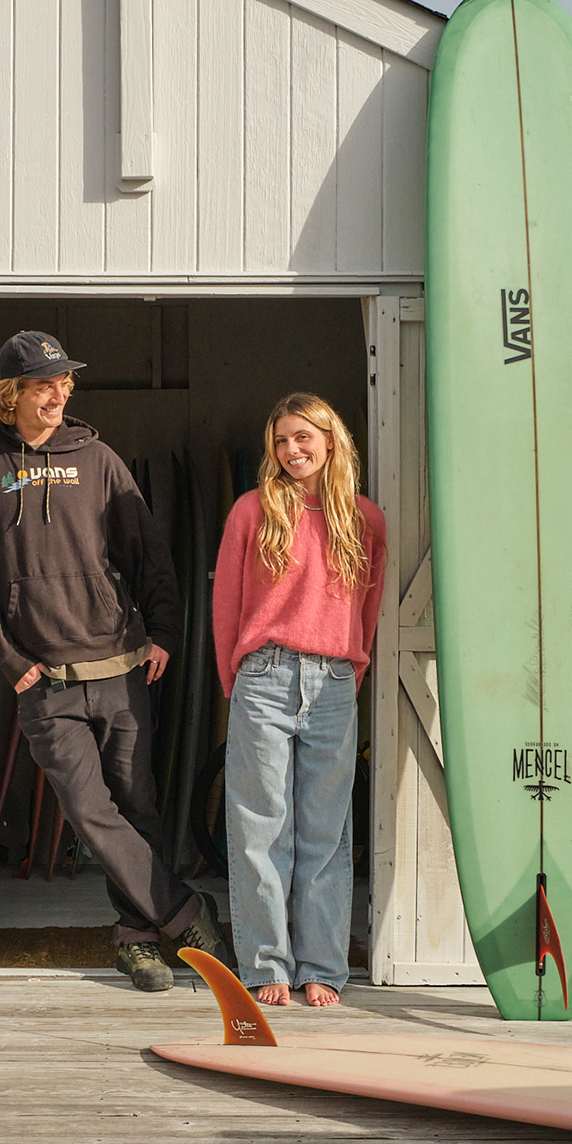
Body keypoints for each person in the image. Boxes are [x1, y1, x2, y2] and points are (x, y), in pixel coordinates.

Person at [0, 329, 234, 992]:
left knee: (139, 810)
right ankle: (184, 911)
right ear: (10, 394)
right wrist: (8, 657)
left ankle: (136, 939)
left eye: (63, 384)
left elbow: (150, 553)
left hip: (121, 669)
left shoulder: (100, 459)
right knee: (89, 813)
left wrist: (164, 632)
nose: (57, 395)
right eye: (43, 385)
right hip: (45, 681)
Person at [213, 393, 386, 1007]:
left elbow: (367, 610)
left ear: (330, 439)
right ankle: (266, 965)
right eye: (281, 440)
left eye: (303, 437)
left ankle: (321, 966)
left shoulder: (364, 519)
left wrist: (348, 674)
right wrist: (235, 683)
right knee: (261, 827)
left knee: (326, 832)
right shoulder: (252, 511)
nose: (291, 450)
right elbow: (227, 606)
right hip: (264, 677)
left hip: (334, 683)